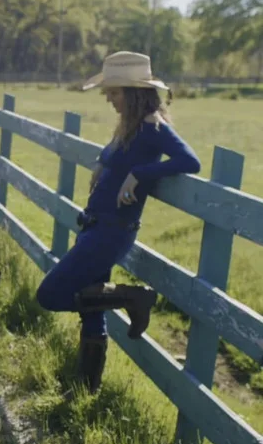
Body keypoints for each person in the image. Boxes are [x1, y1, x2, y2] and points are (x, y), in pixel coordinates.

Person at [35, 51, 201, 393]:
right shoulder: (130, 124)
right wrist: (104, 163)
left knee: (50, 294)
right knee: (92, 310)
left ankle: (132, 298)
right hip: (96, 226)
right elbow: (117, 154)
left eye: (114, 92)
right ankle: (86, 389)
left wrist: (139, 174)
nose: (108, 98)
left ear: (133, 92)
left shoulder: (153, 125)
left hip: (111, 232)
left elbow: (190, 161)